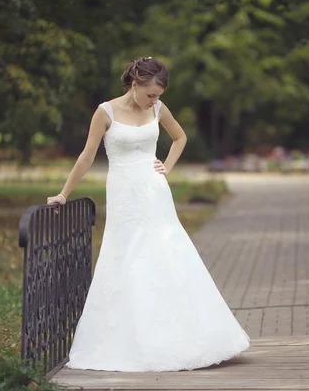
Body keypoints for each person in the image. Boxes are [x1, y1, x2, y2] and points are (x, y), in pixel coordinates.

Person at [46, 57, 250, 372]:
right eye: (150, 94)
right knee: (126, 257)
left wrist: (166, 166)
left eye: (158, 95)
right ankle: (130, 340)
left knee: (166, 253)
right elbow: (87, 155)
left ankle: (186, 336)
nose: (154, 101)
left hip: (155, 193)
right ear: (134, 84)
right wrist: (63, 193)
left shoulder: (157, 109)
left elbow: (180, 137)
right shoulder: (106, 112)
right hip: (124, 195)